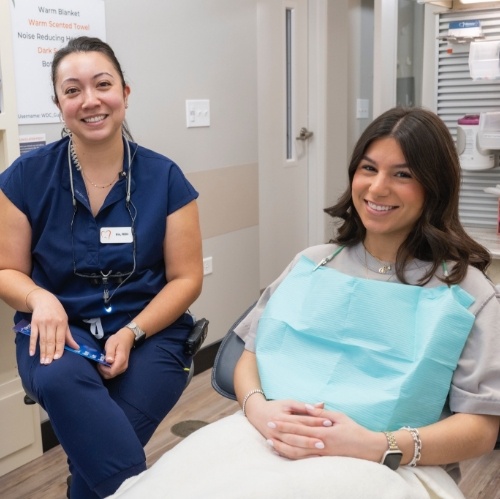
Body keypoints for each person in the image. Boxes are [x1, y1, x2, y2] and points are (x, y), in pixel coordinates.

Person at [107, 107, 500, 499]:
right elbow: (251, 353)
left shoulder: (466, 291)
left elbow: (481, 427)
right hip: (264, 438)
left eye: (403, 174)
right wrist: (261, 412)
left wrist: (375, 445)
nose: (378, 188)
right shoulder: (311, 264)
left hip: (387, 465)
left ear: (435, 186)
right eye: (368, 168)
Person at [0, 37, 203, 498]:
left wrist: (132, 332)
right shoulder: (25, 178)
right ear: (59, 104)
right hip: (57, 331)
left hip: (151, 333)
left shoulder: (165, 178)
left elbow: (187, 278)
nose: (90, 100)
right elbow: (6, 270)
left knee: (96, 456)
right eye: (73, 90)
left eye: (103, 85)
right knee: (61, 382)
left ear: (125, 94)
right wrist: (40, 298)